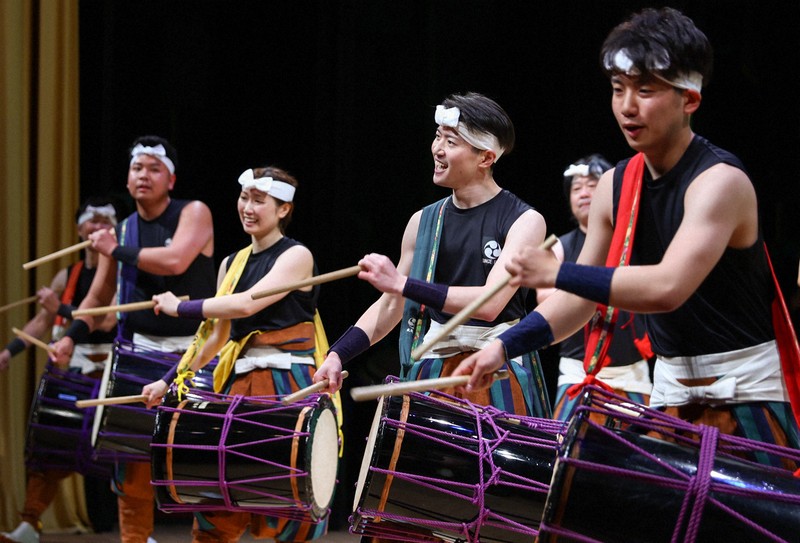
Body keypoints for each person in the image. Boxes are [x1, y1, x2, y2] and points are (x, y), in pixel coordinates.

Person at [453, 7, 800, 461]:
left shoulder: (720, 182)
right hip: (670, 397)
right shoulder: (617, 185)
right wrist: (502, 346)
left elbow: (667, 288)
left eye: (646, 89)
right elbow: (579, 305)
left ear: (689, 98)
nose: (627, 106)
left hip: (749, 397)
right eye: (619, 89)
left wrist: (557, 272)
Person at [314, 91, 551, 419]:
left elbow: (489, 304)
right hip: (432, 371)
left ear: (485, 158)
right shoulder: (422, 222)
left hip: (495, 369)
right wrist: (338, 354)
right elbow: (391, 304)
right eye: (437, 136)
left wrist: (403, 284)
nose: (437, 149)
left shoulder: (524, 221)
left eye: (451, 141)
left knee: (494, 471)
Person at [142, 166, 337, 543]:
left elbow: (248, 304)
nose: (247, 207)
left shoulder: (297, 256)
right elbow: (215, 335)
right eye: (244, 197)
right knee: (218, 500)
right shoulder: (231, 264)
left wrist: (178, 307)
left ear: (283, 209)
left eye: (259, 200)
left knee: (288, 494)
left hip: (287, 386)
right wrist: (168, 380)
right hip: (237, 387)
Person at [51, 135, 216, 543]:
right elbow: (98, 297)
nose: (143, 175)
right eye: (137, 168)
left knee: (198, 465)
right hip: (138, 355)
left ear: (171, 180)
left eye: (154, 169)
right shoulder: (123, 230)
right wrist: (71, 335)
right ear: (127, 180)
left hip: (191, 356)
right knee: (131, 465)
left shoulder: (193, 213)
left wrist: (114, 248)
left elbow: (176, 258)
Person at [1, 198, 119, 543]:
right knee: (50, 446)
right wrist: (10, 352)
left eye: (104, 222)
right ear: (80, 230)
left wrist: (62, 309)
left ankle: (137, 532)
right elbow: (42, 320)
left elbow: (106, 319)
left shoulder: (120, 272)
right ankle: (29, 525)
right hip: (73, 372)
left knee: (124, 453)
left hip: (108, 372)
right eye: (91, 222)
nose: (97, 228)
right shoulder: (68, 274)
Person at [539, 154, 652, 421]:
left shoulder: (633, 243)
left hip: (632, 374)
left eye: (593, 185)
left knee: (643, 455)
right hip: (578, 373)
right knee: (563, 453)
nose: (584, 193)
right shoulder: (559, 246)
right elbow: (545, 301)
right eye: (577, 188)